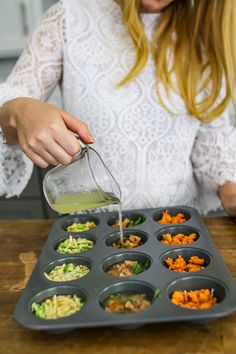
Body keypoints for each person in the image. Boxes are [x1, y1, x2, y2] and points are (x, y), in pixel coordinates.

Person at [0, 0, 236, 215]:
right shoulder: (68, 19)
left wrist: (230, 191)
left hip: (176, 229)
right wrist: (18, 111)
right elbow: (8, 111)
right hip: (91, 229)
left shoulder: (202, 34)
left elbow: (212, 148)